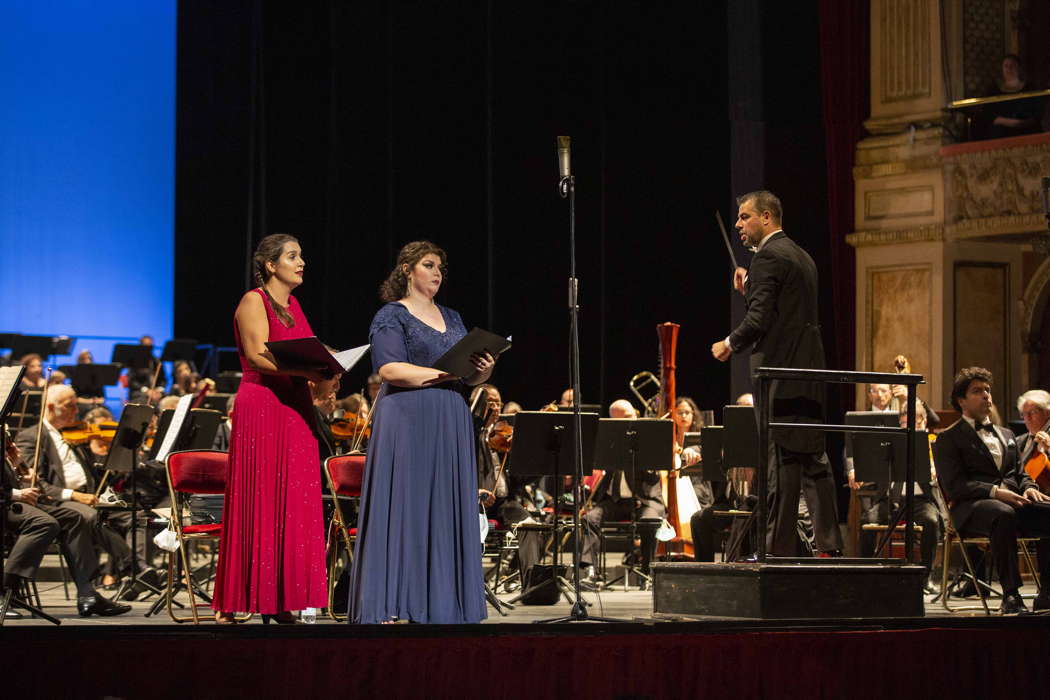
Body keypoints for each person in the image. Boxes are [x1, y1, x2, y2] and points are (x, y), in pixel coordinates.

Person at [348, 240, 494, 624]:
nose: (437, 272)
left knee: (446, 506)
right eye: (429, 265)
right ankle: (397, 602)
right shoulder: (391, 315)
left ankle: (444, 603)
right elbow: (390, 371)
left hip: (450, 415)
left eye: (441, 267)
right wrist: (449, 373)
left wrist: (483, 369)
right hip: (408, 417)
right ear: (407, 270)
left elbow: (470, 375)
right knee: (407, 507)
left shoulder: (453, 315)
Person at [711, 190, 843, 556]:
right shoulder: (801, 256)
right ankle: (828, 547)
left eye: (744, 217)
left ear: (766, 217)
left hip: (780, 374)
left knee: (780, 461)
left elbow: (759, 320)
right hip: (810, 373)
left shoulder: (768, 256)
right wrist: (751, 286)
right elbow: (786, 312)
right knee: (813, 458)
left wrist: (728, 343)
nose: (738, 224)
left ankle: (778, 550)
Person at [211, 233, 329, 624]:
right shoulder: (253, 300)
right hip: (263, 406)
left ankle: (281, 600)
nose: (301, 262)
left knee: (293, 504)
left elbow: (308, 352)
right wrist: (311, 371)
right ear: (269, 265)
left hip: (295, 407)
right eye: (293, 256)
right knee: (258, 500)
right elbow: (260, 356)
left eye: (301, 255)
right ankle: (233, 600)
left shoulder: (294, 306)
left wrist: (327, 374)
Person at [934, 367, 1050, 613]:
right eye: (977, 391)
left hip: (1011, 502)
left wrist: (1029, 487)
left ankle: (1047, 593)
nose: (986, 395)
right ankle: (1011, 595)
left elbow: (1020, 474)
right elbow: (956, 487)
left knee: (1047, 511)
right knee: (1002, 513)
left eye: (987, 390)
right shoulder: (948, 438)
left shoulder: (1007, 434)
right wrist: (996, 492)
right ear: (961, 400)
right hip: (970, 508)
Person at [3, 439, 131, 617]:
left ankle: (87, 594)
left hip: (10, 503)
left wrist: (14, 468)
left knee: (73, 519)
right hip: (5, 505)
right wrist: (16, 493)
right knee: (44, 523)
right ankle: (5, 591)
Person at [849, 402, 941, 592]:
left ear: (924, 422)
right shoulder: (890, 443)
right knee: (867, 520)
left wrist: (934, 470)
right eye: (904, 424)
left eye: (914, 424)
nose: (909, 428)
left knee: (931, 521)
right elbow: (874, 465)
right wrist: (860, 473)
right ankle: (865, 573)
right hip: (890, 500)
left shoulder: (933, 443)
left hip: (920, 500)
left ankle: (926, 576)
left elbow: (943, 473)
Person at [579, 399, 666, 586]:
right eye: (618, 422)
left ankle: (647, 573)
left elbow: (652, 479)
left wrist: (645, 459)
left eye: (628, 418)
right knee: (589, 518)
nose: (625, 424)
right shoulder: (608, 440)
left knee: (649, 521)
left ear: (635, 413)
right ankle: (590, 571)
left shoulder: (648, 437)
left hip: (646, 500)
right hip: (615, 501)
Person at [1016, 389, 1050, 486]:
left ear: (1047, 412)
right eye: (1024, 413)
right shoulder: (1019, 440)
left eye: (1033, 412)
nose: (1027, 418)